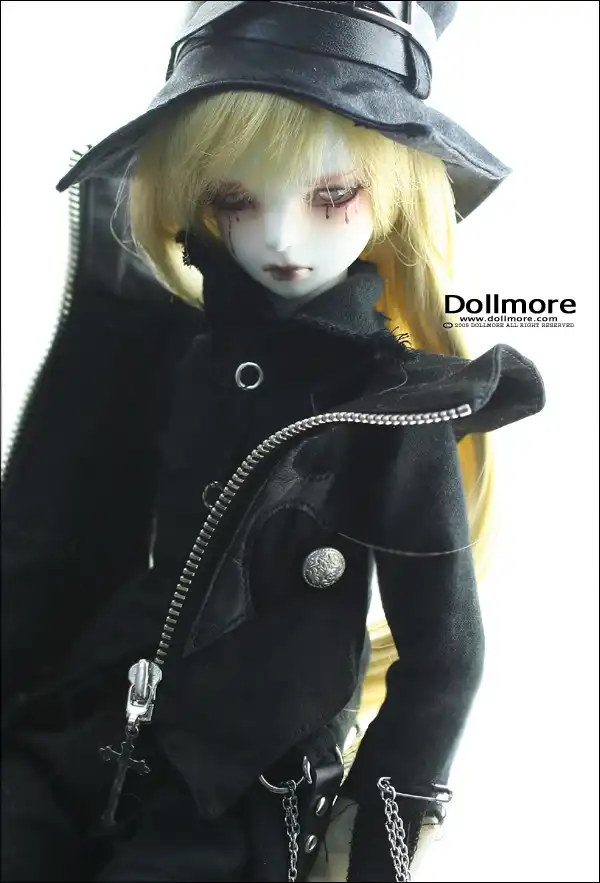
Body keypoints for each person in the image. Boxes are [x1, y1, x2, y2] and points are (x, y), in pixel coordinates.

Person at [1, 2, 545, 880]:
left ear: (395, 190)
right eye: (235, 200)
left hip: (240, 787)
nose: (283, 239)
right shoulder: (168, 342)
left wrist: (374, 838)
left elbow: (446, 655)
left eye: (332, 196)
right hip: (84, 725)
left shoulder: (390, 408)